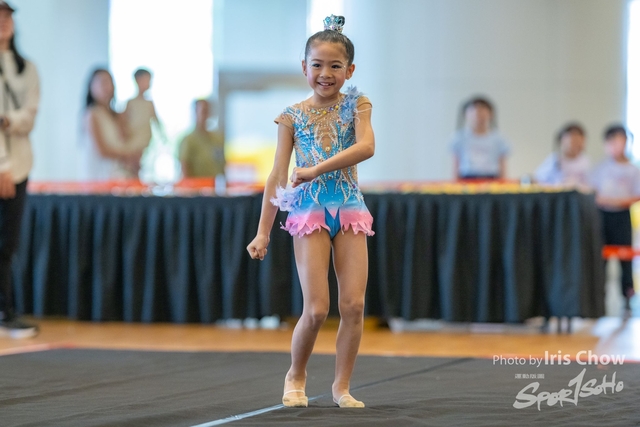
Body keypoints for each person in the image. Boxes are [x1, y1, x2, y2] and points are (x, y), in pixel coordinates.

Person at [246, 15, 374, 408]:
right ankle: (295, 374)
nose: (325, 74)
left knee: (353, 305)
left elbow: (366, 147)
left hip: (348, 208)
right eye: (317, 65)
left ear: (350, 70)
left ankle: (341, 386)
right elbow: (277, 175)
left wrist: (316, 169)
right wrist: (263, 231)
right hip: (309, 212)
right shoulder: (292, 116)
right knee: (317, 309)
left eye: (336, 66)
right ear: (304, 67)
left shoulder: (357, 104)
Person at [0, 1, 39, 338]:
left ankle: (6, 310)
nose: (4, 21)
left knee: (8, 243)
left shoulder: (27, 68)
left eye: (8, 16)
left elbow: (29, 116)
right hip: (4, 166)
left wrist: (8, 120)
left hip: (21, 165)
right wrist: (2, 165)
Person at [590, 124, 640, 315]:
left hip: (622, 216)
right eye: (612, 142)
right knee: (600, 257)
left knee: (625, 257)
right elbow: (593, 192)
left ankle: (627, 297)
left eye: (620, 142)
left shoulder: (633, 170)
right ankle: (598, 297)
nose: (616, 146)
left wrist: (619, 202)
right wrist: (604, 201)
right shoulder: (601, 168)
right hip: (603, 216)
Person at [78, 68, 146, 181]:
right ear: (91, 87)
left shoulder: (117, 115)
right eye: (101, 82)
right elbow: (102, 151)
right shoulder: (91, 115)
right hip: (100, 179)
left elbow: (126, 141)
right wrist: (128, 157)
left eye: (108, 82)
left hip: (119, 176)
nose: (106, 87)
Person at [450, 96, 510, 180]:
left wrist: (503, 183)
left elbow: (502, 164)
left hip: (492, 178)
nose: (477, 113)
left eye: (482, 109)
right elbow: (456, 164)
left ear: (491, 114)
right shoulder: (459, 137)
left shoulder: (499, 138)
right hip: (467, 178)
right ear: (465, 114)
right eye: (473, 110)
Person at [122, 68, 162, 177]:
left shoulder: (149, 103)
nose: (149, 83)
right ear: (137, 80)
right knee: (133, 164)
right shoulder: (130, 103)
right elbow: (123, 121)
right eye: (146, 80)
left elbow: (156, 120)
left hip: (145, 140)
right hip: (133, 139)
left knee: (141, 165)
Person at [178, 99, 225, 178]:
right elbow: (185, 167)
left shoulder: (217, 139)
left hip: (214, 183)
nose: (205, 115)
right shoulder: (189, 140)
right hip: (197, 184)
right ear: (195, 112)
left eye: (207, 111)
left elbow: (222, 164)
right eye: (203, 111)